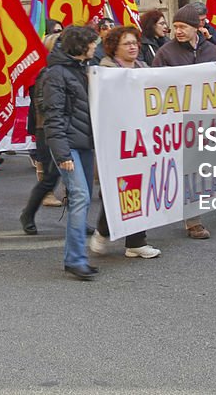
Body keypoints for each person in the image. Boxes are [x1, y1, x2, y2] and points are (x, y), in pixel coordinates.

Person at [89, 26, 162, 259]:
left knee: (140, 187)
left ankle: (136, 242)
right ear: (114, 48)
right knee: (119, 188)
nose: (133, 47)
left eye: (134, 43)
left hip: (143, 138)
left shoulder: (144, 68)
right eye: (127, 44)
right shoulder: (105, 71)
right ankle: (103, 231)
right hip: (118, 139)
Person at [153, 4, 216, 239]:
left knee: (197, 170)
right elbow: (154, 87)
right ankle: (167, 208)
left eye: (183, 27)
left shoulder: (211, 50)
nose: (177, 30)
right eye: (176, 26)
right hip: (174, 122)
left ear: (197, 28)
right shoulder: (165, 53)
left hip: (203, 121)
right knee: (176, 169)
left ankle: (193, 221)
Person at [42, 25, 101, 279]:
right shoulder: (56, 74)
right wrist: (63, 155)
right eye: (92, 43)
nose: (95, 47)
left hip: (83, 143)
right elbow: (53, 117)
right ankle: (76, 259)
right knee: (80, 197)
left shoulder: (81, 69)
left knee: (83, 197)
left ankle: (72, 257)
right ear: (81, 46)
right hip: (68, 145)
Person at [20, 33, 64, 235]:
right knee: (50, 176)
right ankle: (28, 213)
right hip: (47, 130)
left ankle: (78, 221)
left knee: (77, 182)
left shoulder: (69, 70)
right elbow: (44, 106)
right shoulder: (44, 73)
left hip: (67, 130)